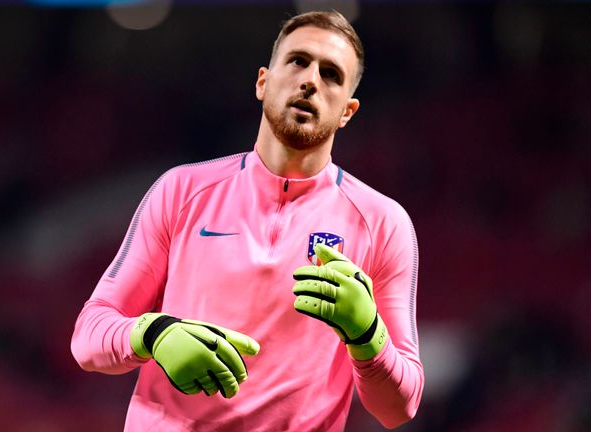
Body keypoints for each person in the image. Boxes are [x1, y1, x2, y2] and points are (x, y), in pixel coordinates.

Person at [71, 10, 423, 431]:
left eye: (331, 74)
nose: (310, 80)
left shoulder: (382, 224)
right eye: (297, 61)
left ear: (347, 111)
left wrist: (367, 336)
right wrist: (154, 334)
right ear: (263, 81)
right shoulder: (181, 192)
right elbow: (89, 335)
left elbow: (399, 407)